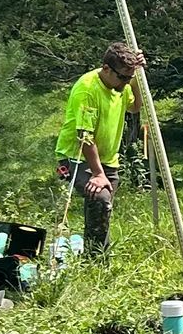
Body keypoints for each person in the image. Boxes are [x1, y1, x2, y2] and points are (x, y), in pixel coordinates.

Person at [56, 41, 144, 257]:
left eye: (129, 78)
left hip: (107, 158)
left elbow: (135, 106)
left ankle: (93, 256)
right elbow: (84, 136)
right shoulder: (87, 89)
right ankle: (97, 261)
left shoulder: (121, 86)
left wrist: (138, 78)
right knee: (100, 198)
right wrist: (97, 173)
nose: (125, 82)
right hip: (75, 156)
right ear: (106, 68)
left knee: (101, 209)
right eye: (122, 77)